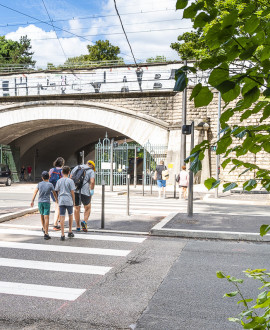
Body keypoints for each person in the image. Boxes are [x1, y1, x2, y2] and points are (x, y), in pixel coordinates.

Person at [31, 171, 58, 240]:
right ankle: (46, 233)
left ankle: (43, 228)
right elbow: (54, 193)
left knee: (42, 216)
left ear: (42, 178)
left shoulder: (39, 184)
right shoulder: (50, 184)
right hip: (46, 202)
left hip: (40, 202)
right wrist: (56, 200)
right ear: (48, 177)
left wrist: (32, 201)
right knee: (47, 217)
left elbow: (35, 192)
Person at [71, 160, 95, 232]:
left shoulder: (76, 168)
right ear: (92, 166)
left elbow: (70, 178)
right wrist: (92, 190)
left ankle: (78, 226)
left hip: (75, 190)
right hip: (85, 191)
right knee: (87, 207)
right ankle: (84, 222)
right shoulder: (91, 171)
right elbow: (92, 182)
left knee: (76, 208)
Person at [55, 166, 76, 241]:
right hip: (68, 200)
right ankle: (70, 231)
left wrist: (58, 199)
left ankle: (62, 234)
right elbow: (72, 192)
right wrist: (74, 201)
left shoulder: (59, 181)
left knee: (62, 216)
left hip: (61, 200)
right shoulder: (70, 181)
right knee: (70, 215)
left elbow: (57, 191)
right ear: (69, 172)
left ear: (62, 172)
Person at [49, 157, 65, 231]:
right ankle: (55, 224)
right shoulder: (62, 171)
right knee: (58, 206)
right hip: (59, 190)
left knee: (57, 204)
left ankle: (59, 221)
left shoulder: (51, 170)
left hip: (52, 190)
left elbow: (48, 179)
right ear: (62, 164)